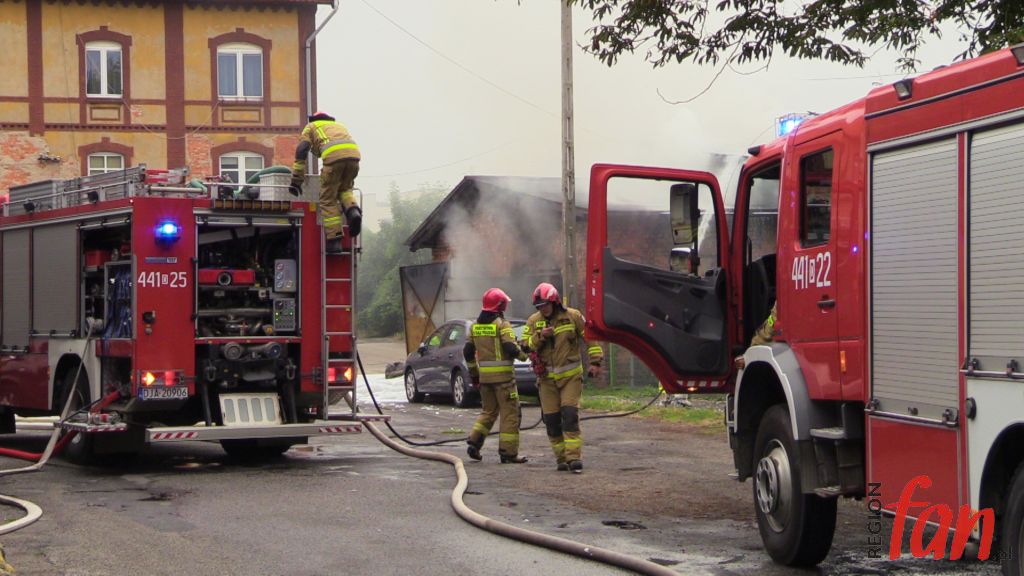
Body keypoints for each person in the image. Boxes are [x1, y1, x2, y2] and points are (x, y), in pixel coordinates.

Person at [521, 283, 603, 473]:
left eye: (545, 305)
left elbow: (590, 338)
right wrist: (540, 336)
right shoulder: (533, 321)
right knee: (551, 420)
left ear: (555, 301)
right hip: (546, 380)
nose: (543, 309)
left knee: (570, 415)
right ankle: (561, 458)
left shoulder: (573, 316)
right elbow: (524, 346)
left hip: (570, 377)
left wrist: (595, 362)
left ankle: (574, 458)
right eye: (539, 306)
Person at [463, 288, 528, 464]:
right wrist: (524, 355)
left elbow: (467, 352)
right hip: (504, 380)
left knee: (488, 411)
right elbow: (510, 347)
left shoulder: (475, 326)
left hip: (485, 380)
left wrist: (474, 375)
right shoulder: (502, 324)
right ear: (500, 305)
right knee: (510, 414)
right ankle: (508, 452)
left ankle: (474, 442)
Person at [290, 111, 363, 253]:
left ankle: (334, 240)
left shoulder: (311, 127)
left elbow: (302, 150)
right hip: (354, 158)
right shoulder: (338, 126)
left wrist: (296, 180)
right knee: (345, 190)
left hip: (333, 159)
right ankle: (353, 211)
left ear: (314, 119)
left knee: (327, 199)